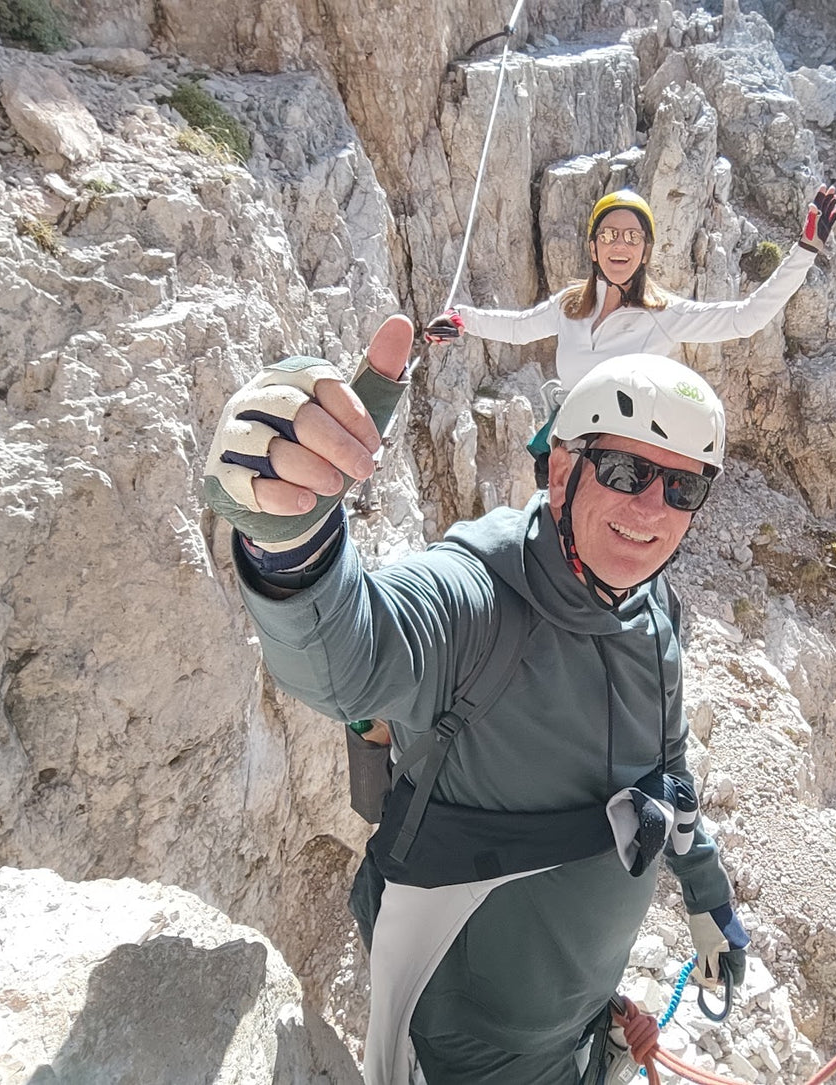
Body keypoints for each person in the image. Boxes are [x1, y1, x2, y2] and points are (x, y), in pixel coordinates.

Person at [202, 313, 748, 1085]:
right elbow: (346, 661)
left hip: (577, 1026)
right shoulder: (479, 599)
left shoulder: (655, 611)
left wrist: (707, 896)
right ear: (562, 472)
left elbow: (669, 772)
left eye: (683, 485)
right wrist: (287, 542)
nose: (652, 508)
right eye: (626, 471)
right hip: (461, 1043)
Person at [426, 185, 836, 485]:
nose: (619, 244)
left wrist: (803, 250)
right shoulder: (571, 306)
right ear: (593, 248)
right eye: (608, 235)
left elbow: (746, 318)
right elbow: (517, 328)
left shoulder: (663, 314)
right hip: (565, 445)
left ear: (645, 250)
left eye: (632, 236)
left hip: (623, 462)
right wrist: (460, 320)